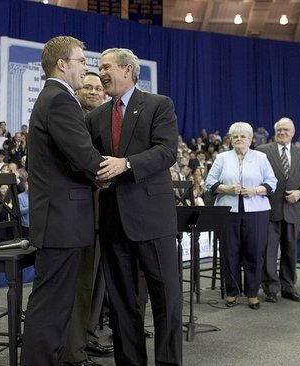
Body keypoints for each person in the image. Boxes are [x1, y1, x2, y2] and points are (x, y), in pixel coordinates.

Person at [20, 36, 114, 366]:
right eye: (82, 62)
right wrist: (115, 170)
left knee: (57, 304)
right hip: (61, 220)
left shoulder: (56, 97)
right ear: (63, 64)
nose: (86, 69)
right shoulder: (59, 99)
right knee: (51, 305)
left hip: (60, 218)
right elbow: (83, 155)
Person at [87, 47, 183, 366]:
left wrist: (126, 164)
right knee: (123, 303)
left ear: (127, 70)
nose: (100, 72)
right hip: (114, 222)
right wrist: (95, 177)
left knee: (166, 299)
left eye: (105, 67)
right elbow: (90, 160)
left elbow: (168, 151)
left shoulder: (158, 105)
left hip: (153, 221)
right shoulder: (97, 116)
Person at [64, 72, 113, 366]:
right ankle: (74, 346)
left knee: (98, 284)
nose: (94, 91)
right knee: (82, 284)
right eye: (89, 87)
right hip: (80, 213)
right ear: (78, 90)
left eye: (99, 88)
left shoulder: (106, 122)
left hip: (106, 213)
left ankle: (89, 335)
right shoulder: (72, 120)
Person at [205, 122, 277, 310]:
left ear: (250, 139)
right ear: (230, 139)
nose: (239, 139)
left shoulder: (261, 157)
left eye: (243, 136)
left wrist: (256, 190)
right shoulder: (222, 158)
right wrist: (226, 188)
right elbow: (209, 182)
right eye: (235, 136)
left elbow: (272, 182)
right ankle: (232, 292)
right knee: (230, 253)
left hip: (257, 211)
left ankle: (252, 293)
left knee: (254, 252)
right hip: (228, 212)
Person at [257, 118, 300, 303]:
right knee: (269, 252)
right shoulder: (262, 151)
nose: (282, 132)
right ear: (275, 132)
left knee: (290, 251)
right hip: (269, 209)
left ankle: (288, 287)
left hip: (292, 209)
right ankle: (270, 288)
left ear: (293, 132)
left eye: (286, 130)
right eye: (279, 130)